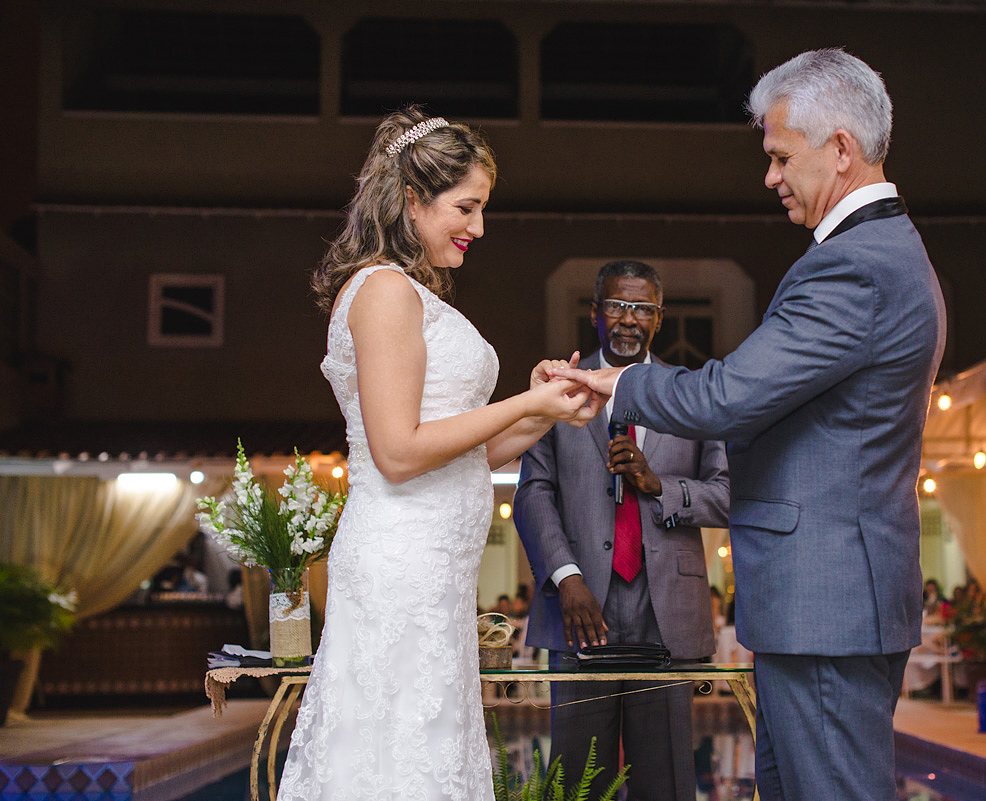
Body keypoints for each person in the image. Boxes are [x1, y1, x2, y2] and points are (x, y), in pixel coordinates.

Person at [553, 49, 945, 801]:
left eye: (779, 155)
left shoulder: (853, 267)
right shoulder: (890, 253)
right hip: (830, 604)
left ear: (840, 148)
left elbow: (727, 397)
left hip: (824, 610)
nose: (769, 176)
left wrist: (618, 383)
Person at [277, 108, 598, 801]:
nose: (478, 227)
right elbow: (397, 452)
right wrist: (523, 403)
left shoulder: (410, 292)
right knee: (391, 759)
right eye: (467, 207)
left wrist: (545, 409)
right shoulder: (385, 292)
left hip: (435, 572)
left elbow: (465, 452)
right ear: (413, 202)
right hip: (401, 565)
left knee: (426, 754)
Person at [514, 259, 730, 801]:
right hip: (579, 611)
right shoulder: (557, 390)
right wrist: (566, 577)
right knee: (579, 782)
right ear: (595, 314)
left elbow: (727, 495)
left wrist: (660, 485)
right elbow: (533, 492)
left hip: (667, 613)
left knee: (666, 782)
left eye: (642, 309)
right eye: (616, 305)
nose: (628, 319)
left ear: (659, 319)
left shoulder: (692, 393)